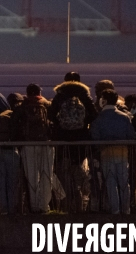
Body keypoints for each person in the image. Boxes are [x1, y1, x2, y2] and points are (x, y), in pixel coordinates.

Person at [49, 71, 96, 213]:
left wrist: (60, 125)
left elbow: (51, 114)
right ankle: (79, 204)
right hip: (80, 140)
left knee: (63, 173)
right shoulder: (84, 94)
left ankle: (66, 204)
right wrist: (83, 124)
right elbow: (93, 114)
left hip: (62, 140)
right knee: (77, 172)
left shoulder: (60, 94)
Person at [90, 89, 136, 214]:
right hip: (122, 153)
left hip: (106, 154)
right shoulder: (124, 117)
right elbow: (131, 136)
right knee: (124, 183)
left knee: (111, 182)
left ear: (103, 100)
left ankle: (115, 209)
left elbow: (95, 136)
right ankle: (126, 209)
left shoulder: (99, 119)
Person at [14, 83, 53, 214]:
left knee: (31, 176)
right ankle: (44, 206)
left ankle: (34, 205)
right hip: (46, 144)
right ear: (39, 93)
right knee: (46, 174)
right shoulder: (47, 105)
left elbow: (14, 125)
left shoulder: (21, 107)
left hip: (28, 144)